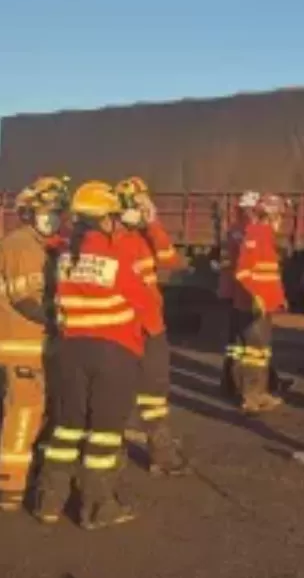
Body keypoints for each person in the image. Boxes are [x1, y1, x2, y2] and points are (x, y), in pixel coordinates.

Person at [32, 181, 161, 528]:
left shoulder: (63, 255)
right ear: (104, 219)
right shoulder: (117, 254)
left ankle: (48, 502)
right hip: (113, 354)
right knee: (104, 433)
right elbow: (145, 303)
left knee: (66, 428)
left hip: (69, 352)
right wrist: (154, 339)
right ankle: (97, 507)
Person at [0, 176, 69, 512]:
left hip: (40, 342)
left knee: (41, 409)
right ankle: (9, 486)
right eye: (45, 211)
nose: (51, 218)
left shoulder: (47, 245)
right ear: (28, 212)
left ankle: (26, 474)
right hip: (22, 342)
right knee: (24, 410)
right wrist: (58, 321)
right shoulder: (20, 245)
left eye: (57, 212)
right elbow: (25, 298)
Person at [114, 177, 189, 474]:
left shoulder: (145, 236)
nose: (142, 208)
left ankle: (162, 453)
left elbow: (172, 261)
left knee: (155, 392)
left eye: (145, 203)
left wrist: (153, 225)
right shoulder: (109, 240)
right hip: (123, 329)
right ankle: (113, 452)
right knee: (116, 392)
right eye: (137, 203)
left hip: (151, 328)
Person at [228, 193, 286, 414]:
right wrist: (257, 297)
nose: (281, 221)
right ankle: (250, 397)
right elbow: (244, 272)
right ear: (271, 216)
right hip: (253, 305)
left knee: (261, 352)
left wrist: (277, 298)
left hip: (263, 304)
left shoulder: (265, 235)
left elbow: (268, 274)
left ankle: (259, 394)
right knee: (253, 352)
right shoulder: (256, 234)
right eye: (279, 216)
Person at [219, 191, 260, 400]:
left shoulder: (234, 229)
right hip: (244, 293)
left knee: (236, 343)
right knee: (250, 343)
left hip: (234, 291)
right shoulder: (247, 231)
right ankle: (243, 389)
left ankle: (229, 384)